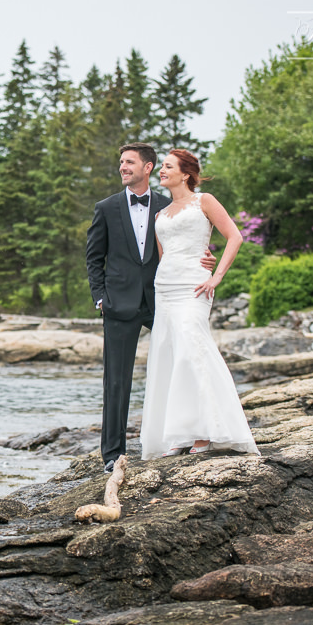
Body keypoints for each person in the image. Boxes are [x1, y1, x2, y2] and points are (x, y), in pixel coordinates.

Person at [86, 143, 216, 473]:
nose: (122, 167)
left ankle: (185, 431)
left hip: (162, 299)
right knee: (116, 381)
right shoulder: (106, 207)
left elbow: (184, 240)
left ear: (147, 168)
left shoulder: (167, 204)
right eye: (120, 162)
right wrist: (100, 297)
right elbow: (94, 257)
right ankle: (112, 454)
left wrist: (206, 256)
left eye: (129, 162)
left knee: (178, 362)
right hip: (119, 303)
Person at [139, 149, 260, 459]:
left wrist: (216, 275)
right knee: (169, 355)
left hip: (195, 286)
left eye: (167, 167)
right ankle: (179, 434)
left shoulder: (204, 201)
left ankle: (206, 431)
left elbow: (234, 237)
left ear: (185, 174)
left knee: (194, 351)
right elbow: (165, 256)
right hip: (165, 287)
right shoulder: (160, 215)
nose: (161, 171)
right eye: (162, 167)